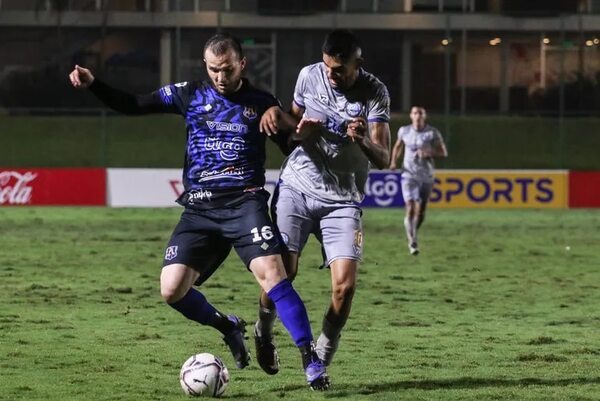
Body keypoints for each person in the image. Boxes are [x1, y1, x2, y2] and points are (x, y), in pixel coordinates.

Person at [68, 33, 329, 391]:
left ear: (242, 64)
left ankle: (310, 359)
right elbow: (134, 104)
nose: (220, 77)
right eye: (213, 70)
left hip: (244, 203)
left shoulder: (262, 102)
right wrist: (95, 84)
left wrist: (300, 133)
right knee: (171, 290)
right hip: (199, 209)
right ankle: (229, 327)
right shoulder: (189, 94)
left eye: (226, 69)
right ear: (205, 67)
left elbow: (288, 146)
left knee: (275, 276)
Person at [255, 29, 391, 373]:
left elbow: (384, 158)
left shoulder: (374, 92)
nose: (331, 74)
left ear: (356, 64)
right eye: (328, 66)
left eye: (339, 70)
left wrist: (361, 141)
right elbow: (291, 130)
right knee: (282, 271)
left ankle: (321, 357)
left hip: (343, 201)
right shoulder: (308, 76)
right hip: (298, 187)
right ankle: (263, 331)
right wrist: (298, 130)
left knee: (345, 287)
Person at [389, 106, 448, 255]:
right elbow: (397, 146)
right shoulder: (404, 131)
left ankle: (413, 231)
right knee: (410, 206)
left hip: (426, 176)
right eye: (415, 113)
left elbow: (443, 152)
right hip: (408, 175)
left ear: (424, 116)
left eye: (420, 113)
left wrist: (429, 152)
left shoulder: (432, 133)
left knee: (421, 212)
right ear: (411, 115)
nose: (417, 116)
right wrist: (393, 162)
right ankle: (412, 241)